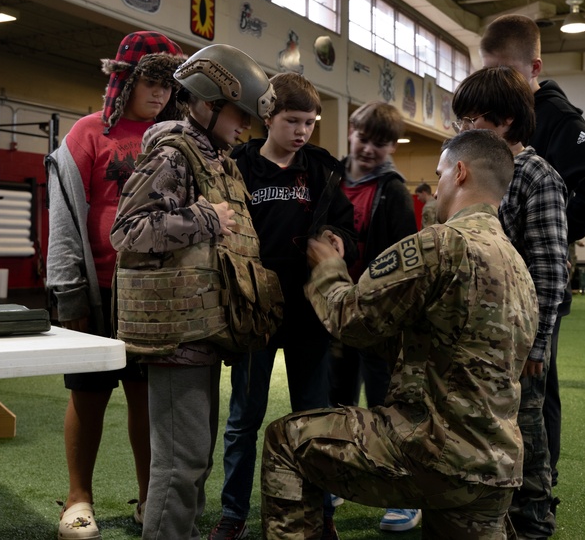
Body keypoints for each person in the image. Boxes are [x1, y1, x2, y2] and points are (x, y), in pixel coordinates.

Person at [260, 129, 539, 540]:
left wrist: (327, 268)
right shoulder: (517, 265)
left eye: (440, 173)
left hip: (433, 452)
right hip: (495, 465)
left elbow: (351, 319)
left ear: (459, 173)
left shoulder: (440, 246)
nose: (436, 186)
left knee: (286, 441)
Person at [110, 44, 282, 540]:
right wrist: (206, 218)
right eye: (240, 114)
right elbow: (127, 230)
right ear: (207, 102)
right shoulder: (173, 152)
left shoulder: (215, 157)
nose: (247, 127)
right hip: (175, 338)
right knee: (178, 465)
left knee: (193, 460)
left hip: (199, 333)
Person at [45, 31, 186, 539]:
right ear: (124, 79)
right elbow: (64, 217)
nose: (160, 93)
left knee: (147, 400)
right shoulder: (85, 134)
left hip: (155, 292)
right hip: (99, 288)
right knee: (88, 396)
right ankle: (78, 498)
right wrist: (67, 290)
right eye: (151, 81)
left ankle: (149, 496)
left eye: (168, 84)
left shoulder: (176, 139)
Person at [479, 14, 585, 496]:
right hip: (497, 279)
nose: (497, 83)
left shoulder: (554, 115)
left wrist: (560, 225)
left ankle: (539, 488)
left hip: (537, 278)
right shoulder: (503, 114)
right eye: (489, 72)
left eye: (505, 72)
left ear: (534, 66)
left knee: (537, 387)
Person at [210, 73, 357, 540]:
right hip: (254, 309)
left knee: (314, 418)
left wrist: (340, 242)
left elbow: (348, 229)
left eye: (310, 123)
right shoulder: (237, 164)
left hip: (309, 313)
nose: (302, 131)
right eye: (292, 121)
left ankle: (321, 514)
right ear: (267, 116)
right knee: (243, 420)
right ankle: (233, 514)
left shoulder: (321, 169)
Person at [452, 66, 568, 539]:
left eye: (474, 119)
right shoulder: (468, 168)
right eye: (463, 120)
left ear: (504, 121)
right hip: (470, 328)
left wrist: (537, 346)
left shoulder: (539, 176)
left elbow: (550, 269)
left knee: (527, 430)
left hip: (517, 335)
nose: (466, 129)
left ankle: (534, 518)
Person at [329, 101, 420, 533]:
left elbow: (406, 260)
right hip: (334, 315)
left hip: (380, 320)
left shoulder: (396, 192)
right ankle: (341, 478)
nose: (368, 149)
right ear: (351, 131)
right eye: (363, 139)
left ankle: (403, 493)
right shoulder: (328, 179)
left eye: (379, 144)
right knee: (338, 403)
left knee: (388, 409)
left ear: (391, 147)